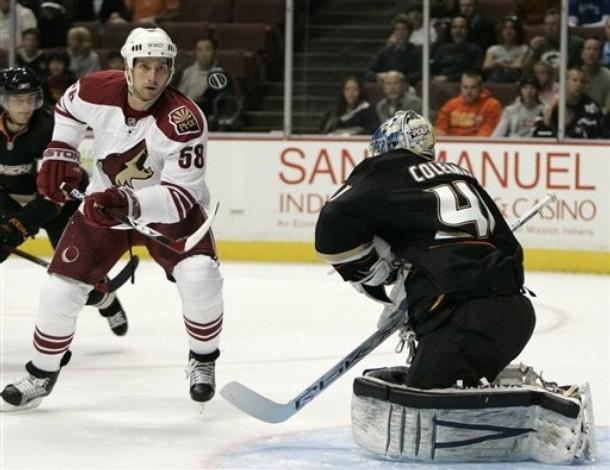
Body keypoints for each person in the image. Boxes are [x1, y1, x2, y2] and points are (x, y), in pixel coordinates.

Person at [0, 28, 223, 410]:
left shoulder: (185, 120)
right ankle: (41, 373)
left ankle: (202, 360)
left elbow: (181, 196)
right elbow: (67, 112)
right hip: (102, 205)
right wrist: (61, 151)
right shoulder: (94, 89)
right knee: (61, 287)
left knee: (200, 275)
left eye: (162, 68)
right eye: (144, 67)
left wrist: (127, 200)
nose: (152, 77)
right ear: (128, 66)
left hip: (167, 210)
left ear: (171, 71)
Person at [315, 109, 535, 390]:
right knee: (459, 387)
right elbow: (506, 245)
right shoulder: (461, 174)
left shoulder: (386, 169)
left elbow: (333, 218)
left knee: (421, 402)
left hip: (459, 317)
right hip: (516, 311)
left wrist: (374, 271)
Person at [0, 67, 128, 337]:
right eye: (16, 100)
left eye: (30, 100)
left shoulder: (50, 130)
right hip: (12, 199)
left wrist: (18, 226)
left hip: (61, 205)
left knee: (81, 284)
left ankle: (106, 300)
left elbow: (55, 196)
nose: (24, 108)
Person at [172, 37, 237, 130]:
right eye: (200, 50)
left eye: (208, 50)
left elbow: (221, 102)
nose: (203, 54)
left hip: (202, 117)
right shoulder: (185, 69)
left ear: (214, 52)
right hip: (177, 113)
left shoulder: (220, 75)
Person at [533, 67, 605, 138]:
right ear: (566, 82)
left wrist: (563, 108)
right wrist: (551, 107)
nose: (578, 85)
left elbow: (580, 135)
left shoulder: (592, 107)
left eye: (582, 81)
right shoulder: (555, 102)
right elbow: (538, 132)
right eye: (574, 80)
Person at [435, 70, 502, 136]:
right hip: (452, 144)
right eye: (465, 87)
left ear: (480, 88)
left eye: (473, 87)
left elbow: (486, 132)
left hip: (477, 145)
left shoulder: (492, 105)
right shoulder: (450, 105)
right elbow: (440, 129)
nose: (468, 92)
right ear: (461, 87)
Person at [365, 14, 423, 85]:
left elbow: (421, 74)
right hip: (385, 88)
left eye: (404, 29)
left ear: (410, 32)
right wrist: (378, 76)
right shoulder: (384, 52)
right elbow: (368, 73)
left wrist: (402, 78)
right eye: (397, 29)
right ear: (393, 32)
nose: (400, 33)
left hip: (407, 88)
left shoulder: (417, 52)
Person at [431, 15, 483, 82]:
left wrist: (448, 79)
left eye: (462, 27)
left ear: (468, 30)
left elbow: (475, 73)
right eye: (455, 27)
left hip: (464, 85)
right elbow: (434, 70)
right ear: (451, 30)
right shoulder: (442, 49)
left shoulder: (475, 50)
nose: (458, 30)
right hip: (440, 84)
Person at [482, 16, 530, 83]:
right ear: (501, 31)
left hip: (515, 80)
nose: (508, 31)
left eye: (512, 28)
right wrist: (499, 65)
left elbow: (517, 67)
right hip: (494, 79)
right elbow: (485, 67)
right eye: (505, 28)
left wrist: (499, 65)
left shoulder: (523, 48)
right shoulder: (492, 49)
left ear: (517, 32)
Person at [581, 37, 610, 113]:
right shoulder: (574, 76)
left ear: (601, 55)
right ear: (582, 54)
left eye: (595, 49)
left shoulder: (608, 77)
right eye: (588, 49)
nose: (591, 53)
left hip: (600, 119)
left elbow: (608, 109)